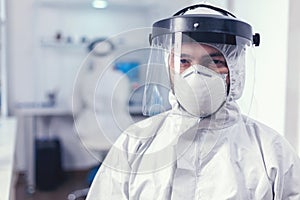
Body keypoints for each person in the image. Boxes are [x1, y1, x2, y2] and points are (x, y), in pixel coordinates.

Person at [86, 4, 300, 199]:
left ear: (235, 70)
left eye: (214, 61)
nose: (196, 74)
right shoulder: (135, 144)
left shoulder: (272, 153)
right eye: (183, 61)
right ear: (168, 67)